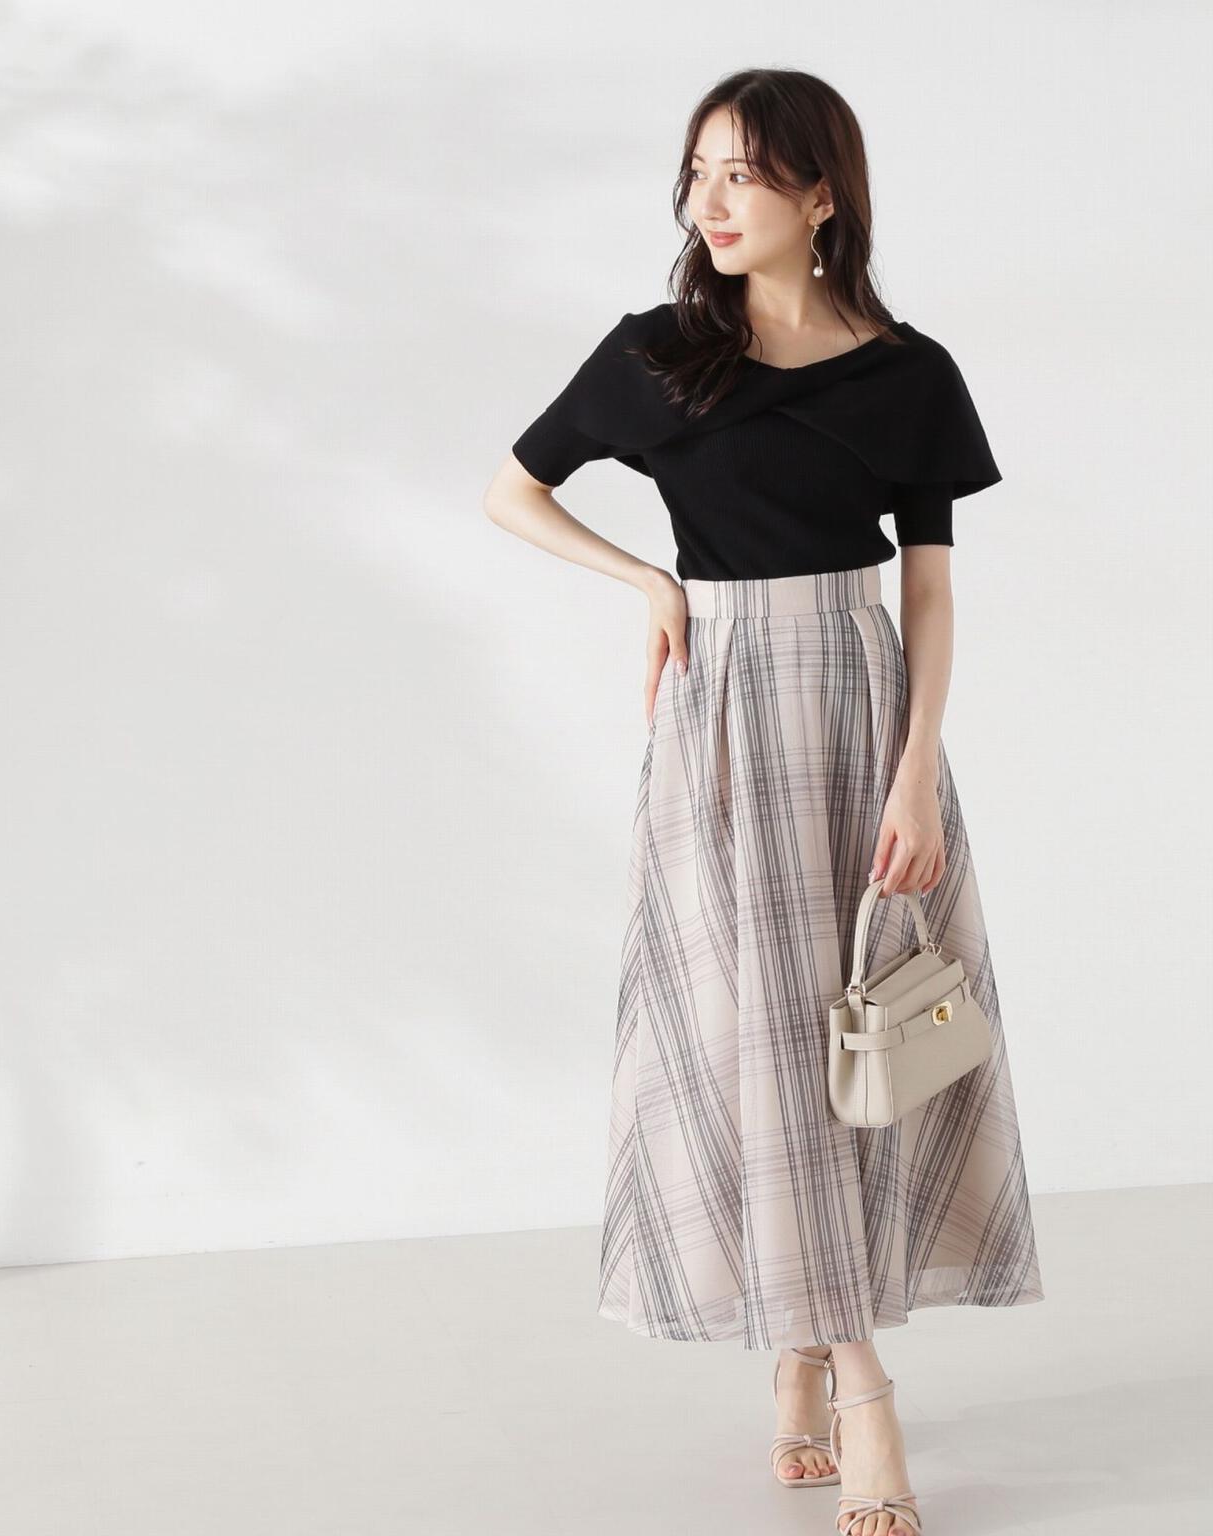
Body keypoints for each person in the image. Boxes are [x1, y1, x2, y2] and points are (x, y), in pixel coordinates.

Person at [483, 66, 1044, 1536]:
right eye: (697, 172)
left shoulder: (908, 372)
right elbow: (512, 491)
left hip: (862, 704)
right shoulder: (661, 354)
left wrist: (918, 764)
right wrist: (649, 583)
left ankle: (800, 1348)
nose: (708, 202)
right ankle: (859, 1386)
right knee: (761, 1041)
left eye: (740, 172)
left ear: (822, 193)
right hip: (724, 716)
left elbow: (928, 586)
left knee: (863, 1034)